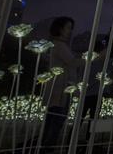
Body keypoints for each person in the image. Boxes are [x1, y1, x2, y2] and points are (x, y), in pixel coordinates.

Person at [41, 16, 81, 152]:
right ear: (60, 28)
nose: (70, 31)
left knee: (53, 120)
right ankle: (46, 148)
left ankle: (44, 147)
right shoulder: (59, 45)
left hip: (60, 90)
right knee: (56, 121)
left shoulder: (60, 45)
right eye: (68, 28)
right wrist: (94, 58)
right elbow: (73, 62)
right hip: (60, 91)